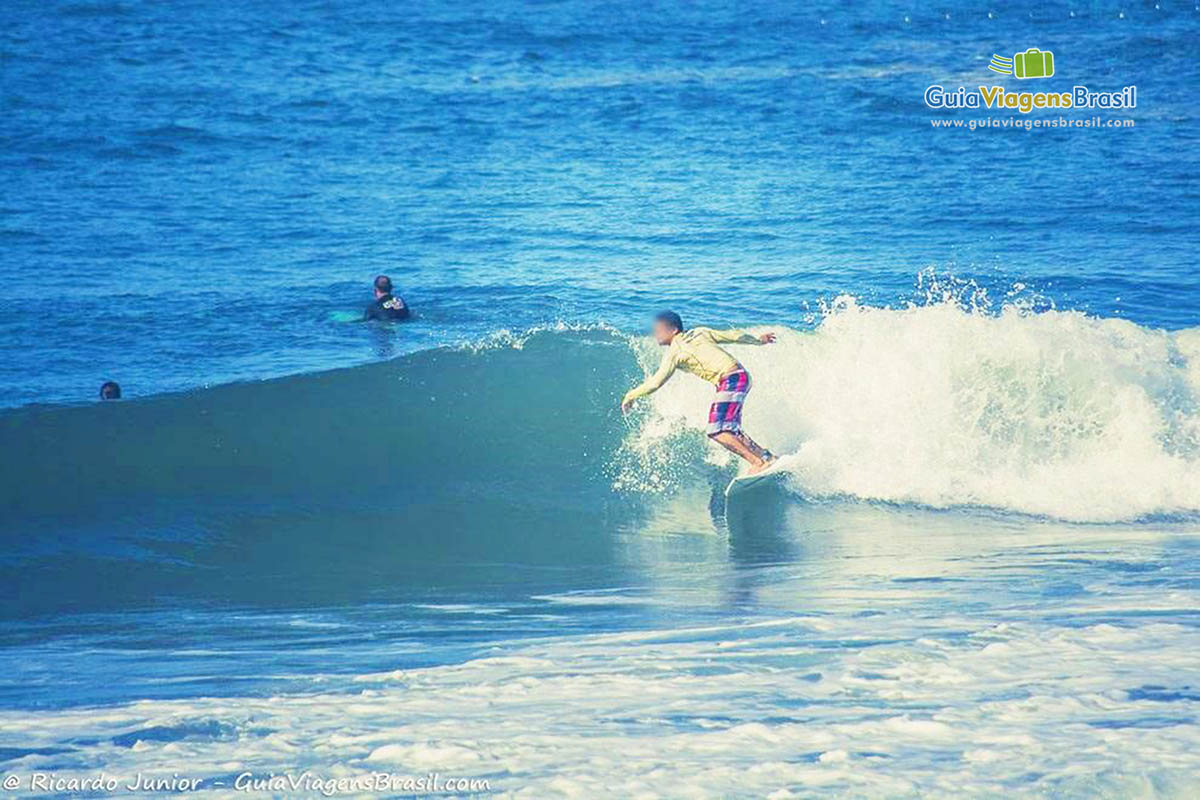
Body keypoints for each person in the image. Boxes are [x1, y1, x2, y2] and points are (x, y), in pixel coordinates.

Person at [622, 311, 777, 474]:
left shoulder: (675, 351)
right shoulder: (700, 332)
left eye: (660, 330)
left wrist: (630, 395)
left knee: (716, 430)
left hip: (729, 380)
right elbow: (733, 335)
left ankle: (757, 463)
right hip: (741, 376)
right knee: (730, 429)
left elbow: (656, 383)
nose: (656, 333)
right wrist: (758, 341)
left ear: (674, 330)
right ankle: (767, 457)